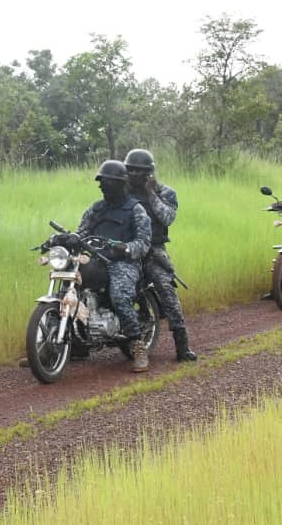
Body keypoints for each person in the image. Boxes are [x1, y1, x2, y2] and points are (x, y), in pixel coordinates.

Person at [73, 160, 153, 372]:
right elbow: (81, 232)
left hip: (123, 263)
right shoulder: (95, 209)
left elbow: (144, 243)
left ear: (119, 183)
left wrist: (125, 248)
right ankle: (71, 344)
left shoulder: (135, 210)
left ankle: (137, 346)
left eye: (106, 182)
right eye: (100, 181)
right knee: (71, 286)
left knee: (119, 296)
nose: (101, 185)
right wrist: (69, 239)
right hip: (96, 260)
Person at [123, 148, 197, 362]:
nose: (135, 175)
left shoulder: (166, 192)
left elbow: (167, 218)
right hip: (127, 249)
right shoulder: (122, 193)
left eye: (140, 171)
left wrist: (150, 193)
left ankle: (182, 346)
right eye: (131, 170)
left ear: (150, 173)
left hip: (154, 250)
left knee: (166, 289)